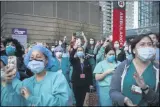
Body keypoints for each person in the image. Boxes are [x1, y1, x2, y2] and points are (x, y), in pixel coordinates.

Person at [3, 45, 72, 106]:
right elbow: (15, 103)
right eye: (32, 58)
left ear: (46, 60)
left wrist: (32, 98)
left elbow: (63, 102)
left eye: (38, 57)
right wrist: (9, 85)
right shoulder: (26, 83)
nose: (34, 60)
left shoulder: (57, 78)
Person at [110, 34, 159, 106]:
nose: (147, 47)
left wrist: (145, 89)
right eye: (142, 44)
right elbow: (113, 91)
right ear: (134, 50)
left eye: (149, 44)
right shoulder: (124, 66)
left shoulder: (157, 69)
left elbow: (157, 100)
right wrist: (125, 100)